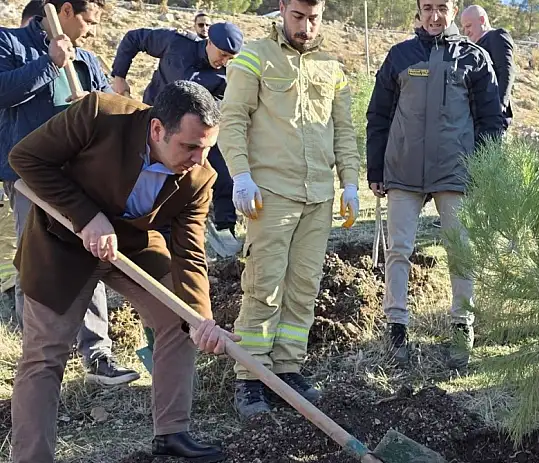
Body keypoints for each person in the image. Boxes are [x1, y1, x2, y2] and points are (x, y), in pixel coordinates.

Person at [8, 81, 241, 463]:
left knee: (180, 323)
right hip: (62, 243)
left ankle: (172, 433)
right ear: (156, 130)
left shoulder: (199, 176)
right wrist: (85, 215)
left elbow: (190, 251)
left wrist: (200, 317)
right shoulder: (99, 114)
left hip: (132, 245)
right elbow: (25, 158)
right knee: (45, 354)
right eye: (189, 147)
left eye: (206, 147)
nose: (199, 159)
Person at [218, 0, 361, 420]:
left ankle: (287, 369)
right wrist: (241, 176)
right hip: (270, 193)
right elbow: (232, 120)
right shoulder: (254, 57)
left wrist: (349, 183)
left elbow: (344, 131)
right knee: (264, 282)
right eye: (298, 16)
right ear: (283, 8)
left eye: (314, 18)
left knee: (304, 286)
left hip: (317, 196)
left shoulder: (332, 66)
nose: (306, 26)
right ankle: (250, 377)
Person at [0, 0, 139, 386]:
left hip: (78, 179)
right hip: (30, 177)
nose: (92, 30)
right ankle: (37, 361)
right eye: (88, 21)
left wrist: (94, 106)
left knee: (88, 255)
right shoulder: (11, 44)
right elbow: (2, 92)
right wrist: (50, 63)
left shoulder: (89, 60)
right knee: (37, 263)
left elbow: (107, 107)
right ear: (64, 11)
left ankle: (98, 355)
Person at [366, 0, 505, 369]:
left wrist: (486, 170)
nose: (434, 15)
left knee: (461, 250)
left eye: (441, 7)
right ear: (418, 10)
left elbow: (491, 120)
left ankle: (462, 328)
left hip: (456, 170)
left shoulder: (474, 58)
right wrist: (375, 169)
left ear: (454, 8)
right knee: (399, 249)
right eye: (427, 7)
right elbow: (378, 114)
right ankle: (396, 328)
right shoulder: (399, 56)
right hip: (403, 168)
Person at [111, 22, 243, 247]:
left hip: (191, 136)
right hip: (153, 125)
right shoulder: (176, 43)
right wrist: (119, 75)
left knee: (222, 168)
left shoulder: (225, 76)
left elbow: (218, 108)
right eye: (222, 54)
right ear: (209, 41)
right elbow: (135, 38)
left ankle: (223, 227)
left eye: (230, 58)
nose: (223, 61)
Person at [460, 4, 516, 127]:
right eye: (463, 28)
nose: (466, 32)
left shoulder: (497, 36)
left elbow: (507, 70)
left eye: (468, 25)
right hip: (477, 117)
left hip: (493, 118)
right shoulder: (472, 48)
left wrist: (499, 106)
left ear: (482, 20)